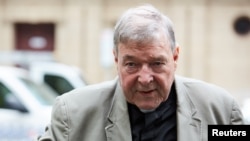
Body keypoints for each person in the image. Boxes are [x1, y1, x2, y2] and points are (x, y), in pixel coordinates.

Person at [37, 4, 245, 141]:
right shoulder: (72, 115)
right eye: (131, 65)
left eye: (156, 63)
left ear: (175, 57)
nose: (145, 79)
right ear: (116, 60)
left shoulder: (221, 111)